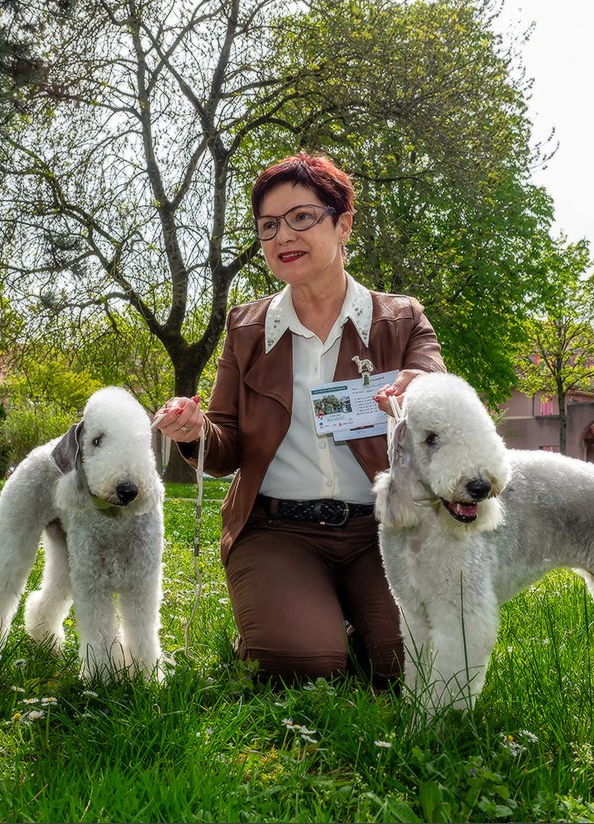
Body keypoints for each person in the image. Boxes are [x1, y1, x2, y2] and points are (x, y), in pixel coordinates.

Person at [155, 152, 445, 689]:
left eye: (302, 217)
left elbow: (436, 392)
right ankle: (295, 618)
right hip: (276, 529)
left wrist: (418, 391)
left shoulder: (401, 318)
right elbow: (225, 450)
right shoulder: (246, 329)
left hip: (387, 528)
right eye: (268, 226)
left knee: (410, 665)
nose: (282, 235)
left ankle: (347, 618)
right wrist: (195, 434)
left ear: (343, 225)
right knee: (305, 667)